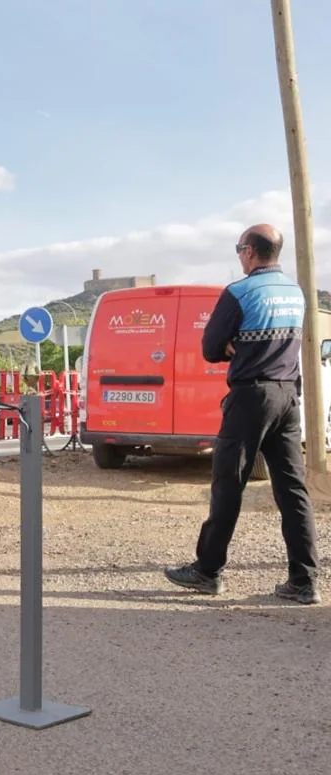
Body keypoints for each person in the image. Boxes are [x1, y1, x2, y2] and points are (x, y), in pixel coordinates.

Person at [164, 224, 320, 604]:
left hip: (250, 396)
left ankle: (207, 571)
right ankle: (304, 581)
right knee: (292, 489)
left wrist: (236, 348)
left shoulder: (239, 291)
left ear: (250, 252)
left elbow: (211, 347)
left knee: (227, 483)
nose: (238, 255)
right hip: (287, 395)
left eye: (239, 248)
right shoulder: (295, 292)